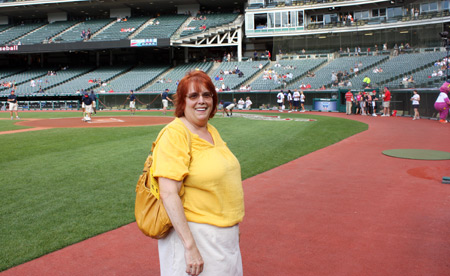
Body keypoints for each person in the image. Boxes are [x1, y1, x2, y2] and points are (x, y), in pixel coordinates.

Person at [153, 71, 244, 276]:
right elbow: (168, 193)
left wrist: (231, 224)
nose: (201, 101)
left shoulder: (211, 131)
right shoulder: (175, 133)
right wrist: (189, 246)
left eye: (206, 95)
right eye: (193, 96)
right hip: (196, 236)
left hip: (223, 237)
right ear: (182, 102)